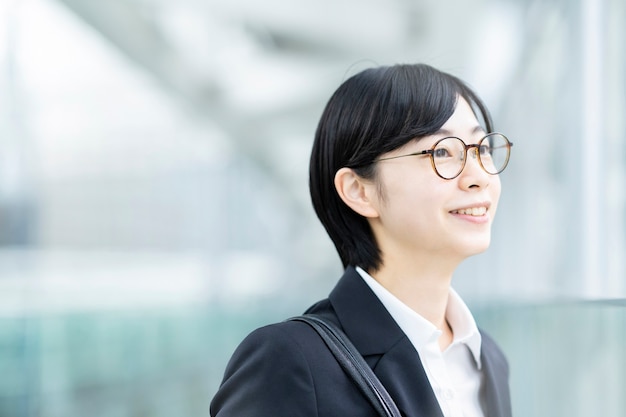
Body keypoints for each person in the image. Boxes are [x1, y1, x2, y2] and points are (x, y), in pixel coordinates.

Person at [210, 63, 513, 417]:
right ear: (359, 191)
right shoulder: (293, 360)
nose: (478, 176)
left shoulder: (486, 357)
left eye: (481, 149)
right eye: (442, 152)